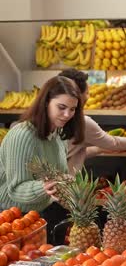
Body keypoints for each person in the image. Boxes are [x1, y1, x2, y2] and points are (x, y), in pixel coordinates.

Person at [0, 76, 84, 233]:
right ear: (46, 103)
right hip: (11, 219)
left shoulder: (56, 135)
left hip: (38, 214)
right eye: (61, 107)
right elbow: (16, 188)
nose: (67, 114)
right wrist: (45, 187)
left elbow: (57, 176)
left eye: (72, 109)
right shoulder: (22, 135)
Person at [58, 69, 126, 174]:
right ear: (77, 95)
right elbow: (113, 143)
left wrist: (99, 149)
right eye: (87, 93)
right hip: (62, 184)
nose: (88, 97)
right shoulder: (82, 123)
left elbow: (71, 152)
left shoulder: (54, 118)